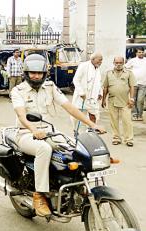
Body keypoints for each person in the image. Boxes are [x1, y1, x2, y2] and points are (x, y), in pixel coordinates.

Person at [11, 54, 104, 218]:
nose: (36, 76)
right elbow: (21, 115)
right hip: (26, 134)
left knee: (73, 148)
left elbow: (69, 107)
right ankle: (39, 195)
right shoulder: (18, 91)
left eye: (39, 73)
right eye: (32, 73)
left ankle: (75, 185)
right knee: (44, 149)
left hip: (48, 131)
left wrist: (92, 124)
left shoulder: (50, 87)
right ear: (26, 73)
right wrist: (33, 130)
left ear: (44, 74)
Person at [102, 57, 136, 146]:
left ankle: (129, 139)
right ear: (113, 62)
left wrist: (132, 99)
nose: (118, 64)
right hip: (112, 101)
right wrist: (103, 99)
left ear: (124, 63)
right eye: (116, 62)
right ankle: (116, 138)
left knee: (127, 121)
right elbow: (105, 87)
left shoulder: (129, 73)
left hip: (126, 101)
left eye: (120, 62)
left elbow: (132, 86)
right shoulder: (108, 73)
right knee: (114, 121)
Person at [71, 52, 103, 131]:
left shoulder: (98, 68)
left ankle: (91, 132)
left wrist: (100, 92)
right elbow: (76, 80)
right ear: (92, 59)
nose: (101, 62)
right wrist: (81, 92)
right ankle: (77, 132)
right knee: (79, 117)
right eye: (99, 60)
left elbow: (98, 82)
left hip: (93, 98)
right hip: (82, 97)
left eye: (102, 60)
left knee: (94, 115)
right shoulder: (83, 66)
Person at [125, 48, 146, 121]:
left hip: (143, 84)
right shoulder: (132, 60)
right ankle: (134, 114)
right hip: (133, 84)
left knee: (140, 100)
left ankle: (139, 115)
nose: (141, 53)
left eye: (142, 52)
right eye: (139, 52)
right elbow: (125, 67)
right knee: (133, 99)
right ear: (136, 53)